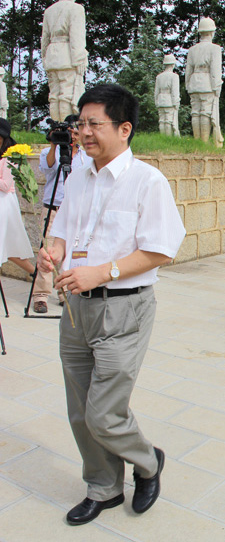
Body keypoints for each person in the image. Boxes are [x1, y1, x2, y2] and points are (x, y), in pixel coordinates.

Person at [37, 84, 185, 526]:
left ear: (124, 129)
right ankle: (102, 487)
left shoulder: (147, 181)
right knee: (81, 410)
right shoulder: (79, 175)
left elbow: (161, 249)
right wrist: (54, 251)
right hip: (77, 307)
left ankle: (149, 462)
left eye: (93, 124)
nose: (83, 132)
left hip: (123, 309)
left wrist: (101, 272)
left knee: (104, 412)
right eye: (79, 123)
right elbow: (63, 230)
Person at [32, 124, 90, 313]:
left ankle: (64, 291)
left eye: (75, 133)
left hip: (75, 209)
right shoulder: (51, 152)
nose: (72, 137)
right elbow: (47, 168)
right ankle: (40, 295)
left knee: (70, 251)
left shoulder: (85, 156)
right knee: (47, 252)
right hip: (53, 207)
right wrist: (54, 145)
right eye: (68, 133)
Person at [41, 0, 87, 122]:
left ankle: (56, 128)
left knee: (54, 96)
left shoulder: (49, 11)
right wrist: (79, 59)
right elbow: (76, 38)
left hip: (52, 58)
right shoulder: (76, 9)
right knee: (67, 96)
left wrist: (45, 59)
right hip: (68, 58)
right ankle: (67, 131)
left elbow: (44, 39)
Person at [0, 119, 35, 277]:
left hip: (4, 203)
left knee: (8, 245)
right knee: (7, 246)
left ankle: (37, 275)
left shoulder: (10, 157)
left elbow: (6, 185)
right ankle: (36, 274)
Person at [185, 17, 223, 146]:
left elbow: (188, 71)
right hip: (207, 85)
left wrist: (188, 85)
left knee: (195, 113)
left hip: (194, 84)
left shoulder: (192, 50)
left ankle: (197, 142)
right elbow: (215, 71)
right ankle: (204, 143)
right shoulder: (215, 49)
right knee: (205, 113)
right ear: (212, 32)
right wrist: (216, 87)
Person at [154, 54, 180, 136]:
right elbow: (174, 92)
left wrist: (157, 102)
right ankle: (168, 139)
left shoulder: (159, 77)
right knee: (168, 121)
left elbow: (156, 92)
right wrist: (176, 103)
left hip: (161, 101)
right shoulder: (174, 76)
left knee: (162, 121)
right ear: (173, 64)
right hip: (169, 101)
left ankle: (163, 138)